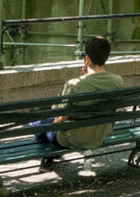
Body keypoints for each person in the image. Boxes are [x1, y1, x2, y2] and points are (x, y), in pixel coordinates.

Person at [35, 36, 125, 171]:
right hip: (99, 135)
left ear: (87, 59)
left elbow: (59, 119)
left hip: (71, 139)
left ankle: (50, 157)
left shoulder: (74, 85)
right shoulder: (118, 81)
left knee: (38, 126)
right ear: (105, 58)